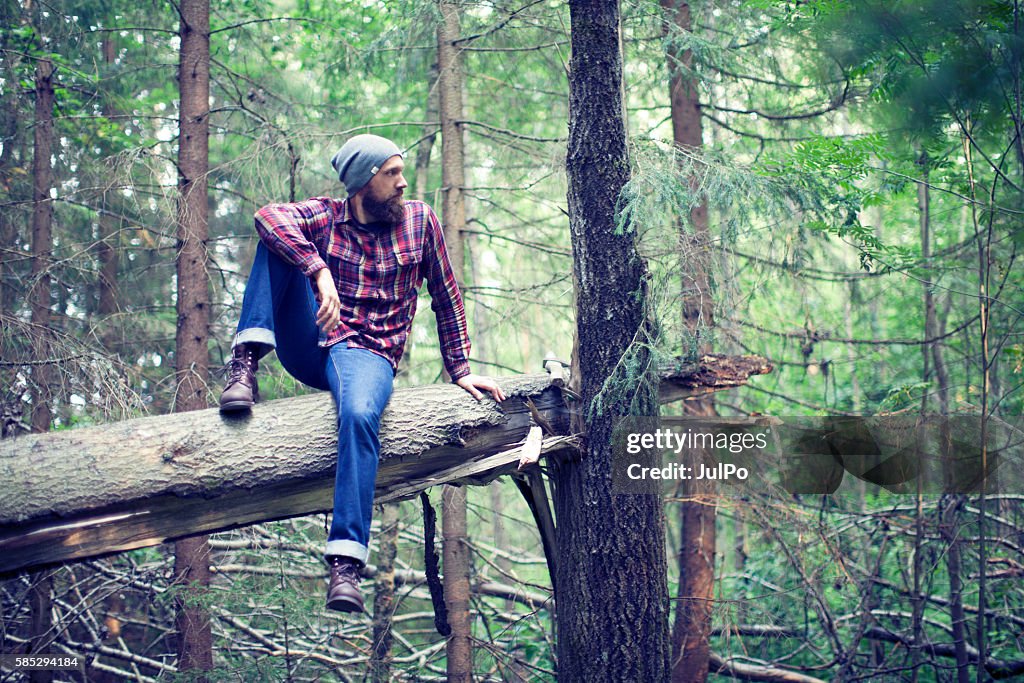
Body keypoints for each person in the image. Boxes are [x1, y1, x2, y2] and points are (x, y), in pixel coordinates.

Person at [219, 134, 506, 613]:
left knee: (357, 414)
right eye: (391, 173)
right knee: (277, 239)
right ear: (362, 182)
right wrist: (316, 268)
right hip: (310, 341)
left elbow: (446, 295)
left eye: (401, 172)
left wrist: (461, 369)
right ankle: (245, 363)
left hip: (367, 355)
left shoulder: (419, 221)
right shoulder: (327, 216)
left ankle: (346, 564)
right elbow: (267, 217)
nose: (402, 182)